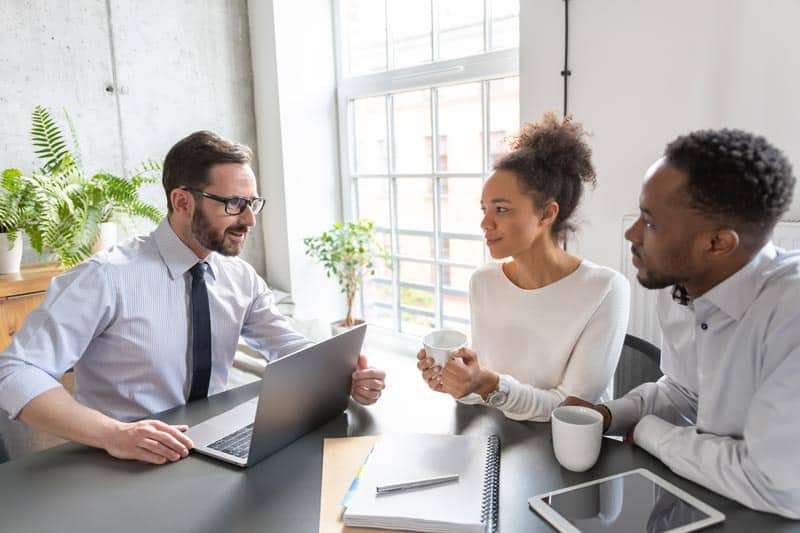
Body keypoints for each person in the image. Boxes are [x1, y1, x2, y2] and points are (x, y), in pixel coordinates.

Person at [0, 131, 386, 465]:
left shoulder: (239, 278)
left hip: (212, 446)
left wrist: (343, 377)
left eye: (252, 203)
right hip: (119, 457)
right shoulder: (104, 278)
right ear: (182, 201)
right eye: (234, 204)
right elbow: (14, 373)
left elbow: (288, 347)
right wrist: (114, 434)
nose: (249, 220)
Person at [562, 128, 800, 518]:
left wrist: (651, 433)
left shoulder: (790, 313)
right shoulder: (680, 287)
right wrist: (609, 415)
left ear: (718, 243)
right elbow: (686, 392)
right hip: (696, 501)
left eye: (651, 223)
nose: (631, 233)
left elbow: (774, 484)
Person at [416, 113, 629, 421]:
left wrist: (488, 383)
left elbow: (572, 411)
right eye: (484, 208)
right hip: (499, 442)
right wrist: (459, 383)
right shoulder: (484, 281)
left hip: (568, 454)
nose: (485, 223)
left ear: (546, 214)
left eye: (501, 209)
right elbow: (485, 397)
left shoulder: (605, 289)